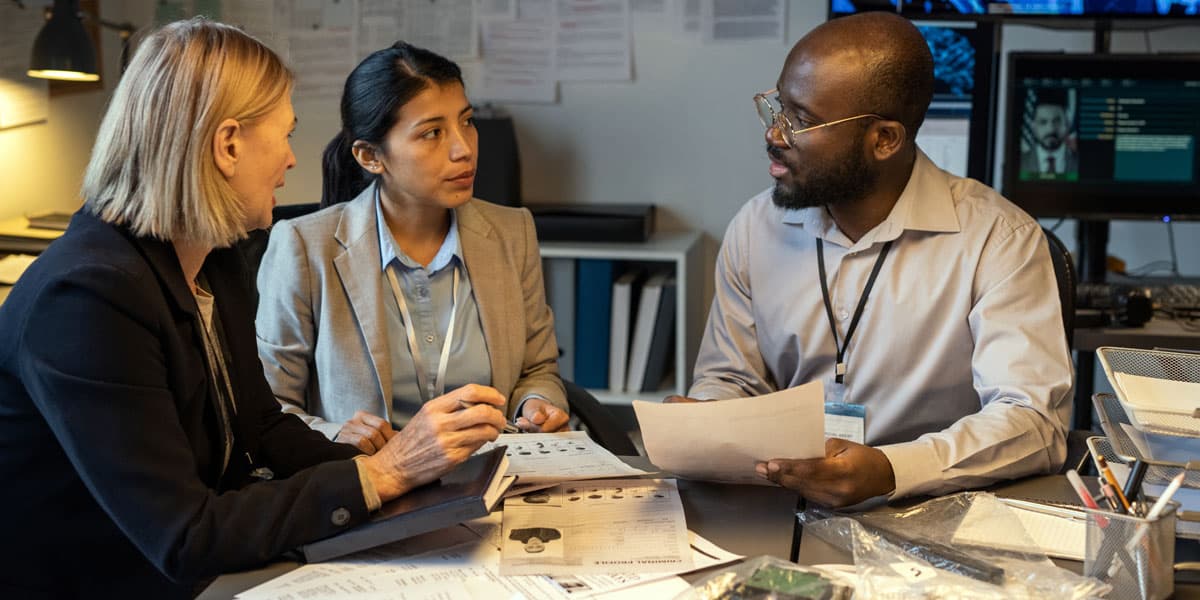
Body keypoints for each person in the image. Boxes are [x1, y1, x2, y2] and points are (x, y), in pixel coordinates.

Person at [0, 19, 506, 597]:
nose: (293, 160)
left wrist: (405, 468)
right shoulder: (87, 299)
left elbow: (260, 426)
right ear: (229, 144)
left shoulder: (212, 256)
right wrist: (382, 476)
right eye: (285, 136)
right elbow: (184, 535)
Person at [668, 12, 1072, 508]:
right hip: (778, 500)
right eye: (777, 107)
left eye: (802, 120)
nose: (775, 134)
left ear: (884, 140)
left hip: (932, 508)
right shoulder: (756, 228)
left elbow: (1032, 421)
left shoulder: (998, 239)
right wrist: (705, 421)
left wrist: (889, 470)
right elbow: (732, 377)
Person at [255, 42, 568, 453]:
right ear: (370, 156)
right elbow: (268, 407)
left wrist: (537, 403)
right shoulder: (303, 247)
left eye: (467, 122)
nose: (464, 149)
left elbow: (538, 368)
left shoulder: (513, 232)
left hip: (494, 480)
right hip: (374, 486)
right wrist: (333, 433)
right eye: (432, 133)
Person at [1019, 91, 1078, 176]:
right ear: (1033, 127)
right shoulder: (1021, 161)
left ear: (1067, 124)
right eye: (1043, 122)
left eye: (1057, 121)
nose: (1051, 129)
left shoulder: (1079, 161)